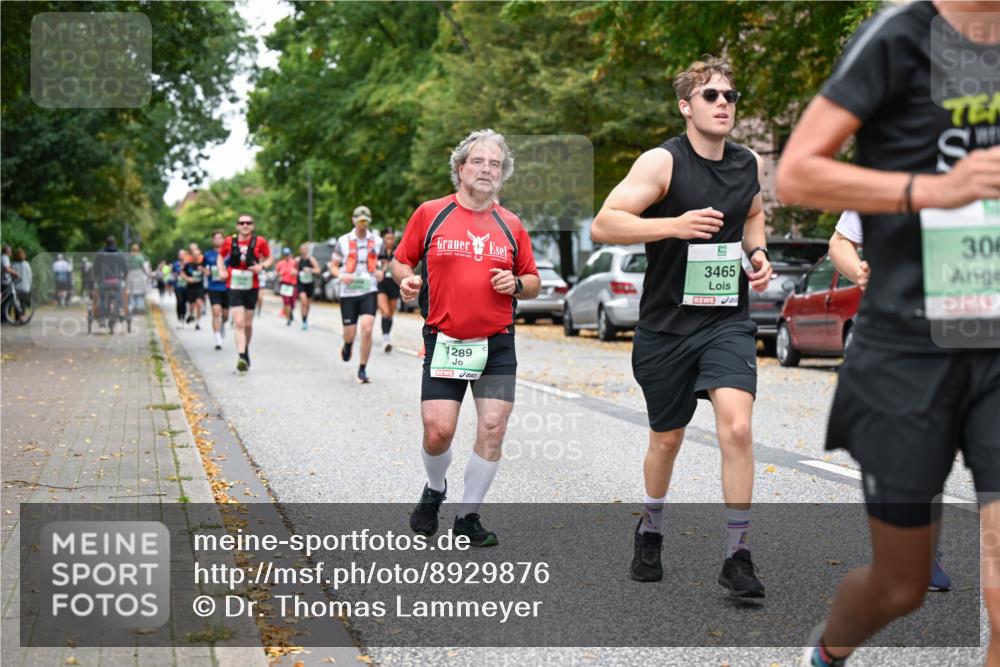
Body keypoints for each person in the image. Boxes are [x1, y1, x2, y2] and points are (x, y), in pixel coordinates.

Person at [774, 2, 1000, 665]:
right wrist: (934, 188)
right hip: (909, 346)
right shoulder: (901, 35)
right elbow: (796, 172)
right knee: (901, 585)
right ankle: (827, 653)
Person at [591, 57, 772, 595]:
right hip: (667, 326)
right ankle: (651, 528)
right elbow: (604, 223)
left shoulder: (747, 164)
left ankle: (737, 555)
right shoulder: (662, 163)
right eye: (711, 95)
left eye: (730, 96)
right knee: (666, 439)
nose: (723, 104)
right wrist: (675, 225)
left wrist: (756, 253)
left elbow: (755, 213)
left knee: (737, 427)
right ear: (685, 106)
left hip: (726, 321)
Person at [393, 129, 541, 546]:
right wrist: (406, 281)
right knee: (438, 430)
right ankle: (435, 488)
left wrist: (515, 284)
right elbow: (400, 261)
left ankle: (468, 516)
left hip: (496, 343)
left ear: (502, 175)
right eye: (479, 161)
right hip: (445, 339)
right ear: (461, 168)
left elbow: (533, 281)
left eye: (495, 164)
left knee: (493, 426)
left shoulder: (511, 224)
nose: (487, 169)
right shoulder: (431, 213)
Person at [330, 206, 384, 384]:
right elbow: (333, 265)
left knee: (367, 329)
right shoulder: (343, 241)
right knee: (350, 333)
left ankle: (362, 369)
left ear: (369, 221)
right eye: (359, 220)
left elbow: (384, 262)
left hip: (369, 289)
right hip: (349, 291)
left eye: (365, 220)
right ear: (353, 220)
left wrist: (381, 272)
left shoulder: (377, 241)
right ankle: (347, 345)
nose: (362, 224)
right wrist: (340, 275)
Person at [218, 214, 272, 372]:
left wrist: (261, 266)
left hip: (251, 285)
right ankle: (241, 356)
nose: (245, 225)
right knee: (239, 323)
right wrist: (222, 270)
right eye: (242, 223)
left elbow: (269, 258)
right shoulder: (230, 241)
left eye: (248, 223)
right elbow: (221, 256)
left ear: (253, 226)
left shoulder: (260, 241)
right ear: (237, 226)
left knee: (248, 324)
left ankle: (245, 349)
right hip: (234, 284)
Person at [203, 231, 230, 350]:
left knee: (225, 315)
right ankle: (218, 339)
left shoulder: (229, 254)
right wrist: (205, 271)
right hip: (213, 287)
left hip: (227, 287)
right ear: (213, 240)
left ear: (223, 240)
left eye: (220, 238)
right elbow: (203, 268)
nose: (218, 240)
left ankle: (223, 324)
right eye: (216, 238)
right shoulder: (208, 254)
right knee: (216, 312)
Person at [91, 236, 128, 321]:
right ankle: (120, 310)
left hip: (103, 282)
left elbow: (95, 268)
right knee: (120, 295)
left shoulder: (100, 254)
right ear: (115, 243)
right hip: (117, 281)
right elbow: (126, 269)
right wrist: (124, 278)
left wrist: (96, 279)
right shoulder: (120, 254)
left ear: (105, 243)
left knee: (102, 298)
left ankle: (102, 318)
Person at [377, 228, 401, 352]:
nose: (390, 240)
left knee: (390, 313)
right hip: (381, 284)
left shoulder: (398, 251)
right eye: (387, 238)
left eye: (392, 238)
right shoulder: (378, 250)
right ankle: (386, 340)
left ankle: (386, 336)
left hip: (394, 284)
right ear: (383, 239)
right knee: (385, 311)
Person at [296, 243, 321, 330]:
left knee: (308, 304)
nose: (303, 251)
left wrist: (310, 270)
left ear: (307, 250)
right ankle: (303, 321)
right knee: (303, 301)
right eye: (302, 250)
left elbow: (318, 270)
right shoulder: (297, 260)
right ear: (300, 251)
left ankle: (305, 319)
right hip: (301, 283)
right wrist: (295, 272)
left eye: (305, 250)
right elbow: (293, 270)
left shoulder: (311, 259)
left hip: (309, 283)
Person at [275, 247, 298, 325]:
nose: (287, 256)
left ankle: (290, 313)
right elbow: (276, 273)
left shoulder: (294, 262)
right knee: (286, 302)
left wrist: (296, 272)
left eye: (288, 254)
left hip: (293, 284)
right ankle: (288, 319)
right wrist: (279, 274)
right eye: (285, 255)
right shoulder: (280, 263)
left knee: (293, 303)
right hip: (284, 284)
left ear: (290, 254)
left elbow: (299, 271)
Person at [126, 244, 150, 313]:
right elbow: (143, 267)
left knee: (131, 291)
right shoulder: (140, 257)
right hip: (139, 274)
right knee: (140, 292)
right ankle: (139, 307)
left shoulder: (129, 257)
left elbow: (127, 267)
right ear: (138, 250)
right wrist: (146, 274)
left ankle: (132, 306)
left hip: (131, 274)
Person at [11, 248, 32, 322]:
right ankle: (22, 317)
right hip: (26, 287)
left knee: (17, 303)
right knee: (23, 303)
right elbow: (30, 276)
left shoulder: (14, 264)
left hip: (16, 287)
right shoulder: (27, 264)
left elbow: (12, 276)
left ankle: (17, 318)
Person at [172, 249, 187, 326]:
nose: (181, 256)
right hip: (177, 286)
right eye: (180, 254)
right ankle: (179, 318)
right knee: (179, 301)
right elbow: (173, 274)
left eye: (183, 254)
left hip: (186, 286)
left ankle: (183, 318)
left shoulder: (188, 264)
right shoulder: (175, 264)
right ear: (178, 256)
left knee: (184, 302)